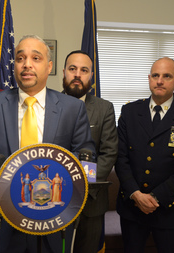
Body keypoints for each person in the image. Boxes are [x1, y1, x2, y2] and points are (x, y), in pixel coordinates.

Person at [0, 35, 95, 253]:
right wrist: (0, 173)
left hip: (53, 216)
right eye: (20, 58)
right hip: (2, 216)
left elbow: (85, 153)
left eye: (36, 58)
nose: (27, 64)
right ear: (14, 65)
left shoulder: (72, 108)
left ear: (49, 66)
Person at [115, 57, 174, 253]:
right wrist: (136, 195)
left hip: (172, 212)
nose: (160, 81)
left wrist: (155, 198)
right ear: (149, 78)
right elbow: (120, 159)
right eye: (155, 75)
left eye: (167, 76)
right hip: (133, 209)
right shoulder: (130, 111)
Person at [62, 50, 118, 253]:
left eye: (84, 70)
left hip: (91, 201)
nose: (77, 74)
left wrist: (82, 185)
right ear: (63, 72)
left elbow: (109, 153)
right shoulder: (48, 104)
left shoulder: (104, 109)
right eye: (72, 69)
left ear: (91, 76)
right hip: (55, 198)